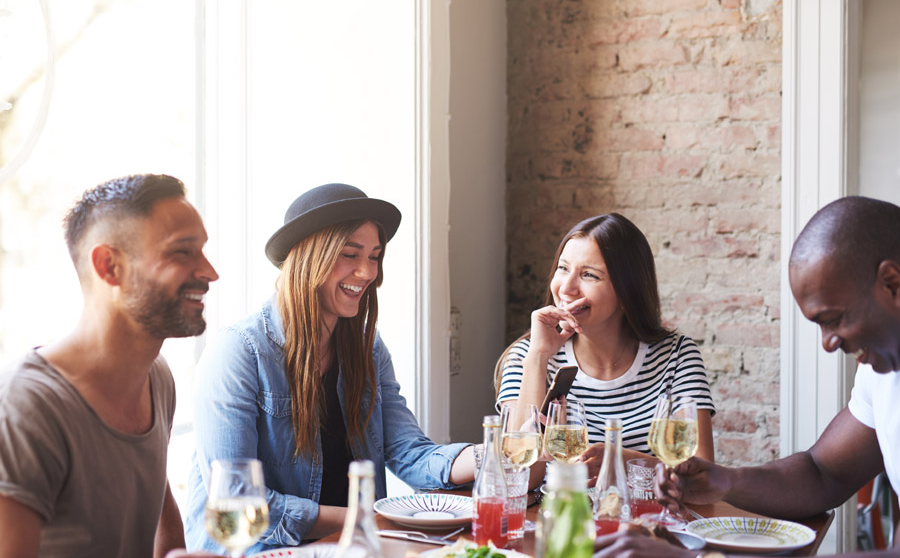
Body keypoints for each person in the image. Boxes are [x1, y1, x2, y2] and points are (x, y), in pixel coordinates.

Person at [594, 195, 900, 558]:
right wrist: (727, 481)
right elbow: (823, 473)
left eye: (833, 319)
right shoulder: (881, 371)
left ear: (892, 284)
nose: (828, 344)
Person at [185, 183, 476, 554]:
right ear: (309, 257)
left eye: (374, 256)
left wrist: (497, 455)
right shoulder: (238, 351)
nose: (367, 271)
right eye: (350, 254)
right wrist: (363, 519)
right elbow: (237, 498)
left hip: (347, 546)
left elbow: (409, 452)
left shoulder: (368, 349)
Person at [0, 174, 221, 558]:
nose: (209, 271)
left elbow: (164, 538)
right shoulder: (24, 407)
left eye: (202, 250)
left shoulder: (156, 376)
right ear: (109, 266)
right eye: (183, 252)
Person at [494, 213, 715, 472]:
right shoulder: (527, 355)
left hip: (648, 512)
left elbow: (702, 475)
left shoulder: (677, 355)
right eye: (563, 268)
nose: (566, 288)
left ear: (627, 290)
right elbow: (516, 474)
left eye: (589, 275)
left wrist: (621, 462)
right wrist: (538, 357)